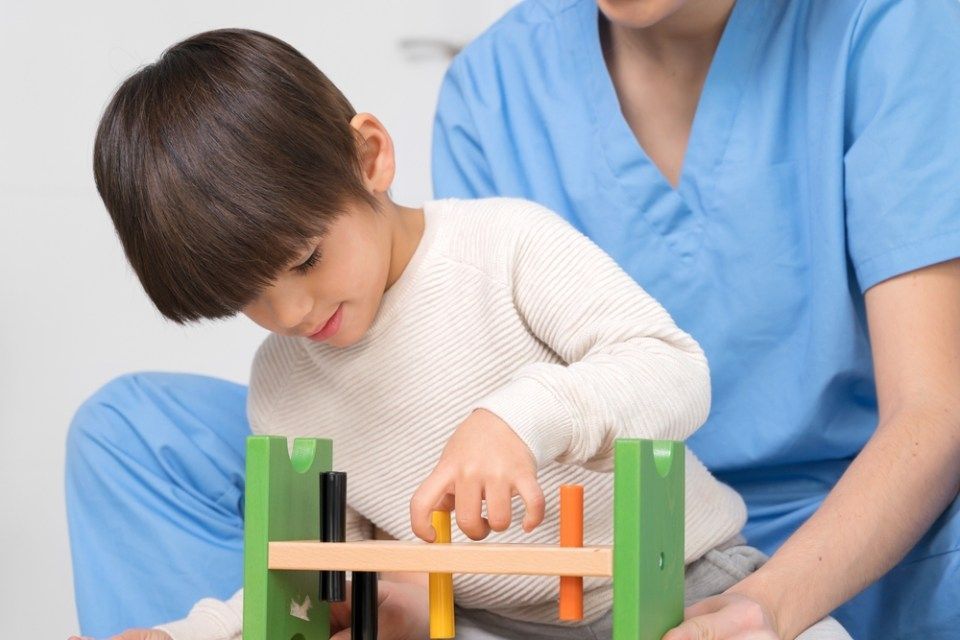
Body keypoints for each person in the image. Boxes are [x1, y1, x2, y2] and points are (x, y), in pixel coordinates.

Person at [67, 28, 850, 640]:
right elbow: (317, 578)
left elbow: (673, 370)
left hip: (685, 583)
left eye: (306, 259)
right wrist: (186, 632)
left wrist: (519, 417)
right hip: (481, 619)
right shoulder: (285, 384)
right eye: (250, 300)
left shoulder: (503, 246)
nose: (293, 314)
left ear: (369, 157)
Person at [429, 0, 960, 638]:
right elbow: (496, 446)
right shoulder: (495, 91)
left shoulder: (886, 24)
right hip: (622, 569)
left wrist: (768, 604)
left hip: (894, 548)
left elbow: (933, 407)